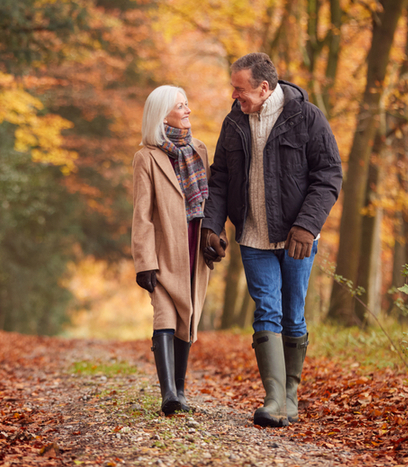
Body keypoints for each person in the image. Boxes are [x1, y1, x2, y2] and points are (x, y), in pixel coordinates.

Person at [202, 53, 342, 427]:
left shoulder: (307, 118)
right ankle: (274, 397)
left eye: (240, 88)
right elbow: (219, 179)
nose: (234, 95)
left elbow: (329, 175)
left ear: (264, 88)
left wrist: (307, 225)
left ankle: (291, 396)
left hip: (297, 238)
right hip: (252, 236)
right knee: (266, 309)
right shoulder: (233, 122)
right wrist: (211, 226)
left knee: (293, 313)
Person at [132, 85, 222, 415]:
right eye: (180, 106)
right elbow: (142, 214)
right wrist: (144, 262)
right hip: (165, 249)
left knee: (189, 316)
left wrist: (216, 235)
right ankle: (169, 393)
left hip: (195, 245)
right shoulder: (146, 158)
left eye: (187, 104)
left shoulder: (199, 149)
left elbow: (210, 201)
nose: (187, 110)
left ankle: (181, 391)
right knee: (165, 314)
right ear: (162, 115)